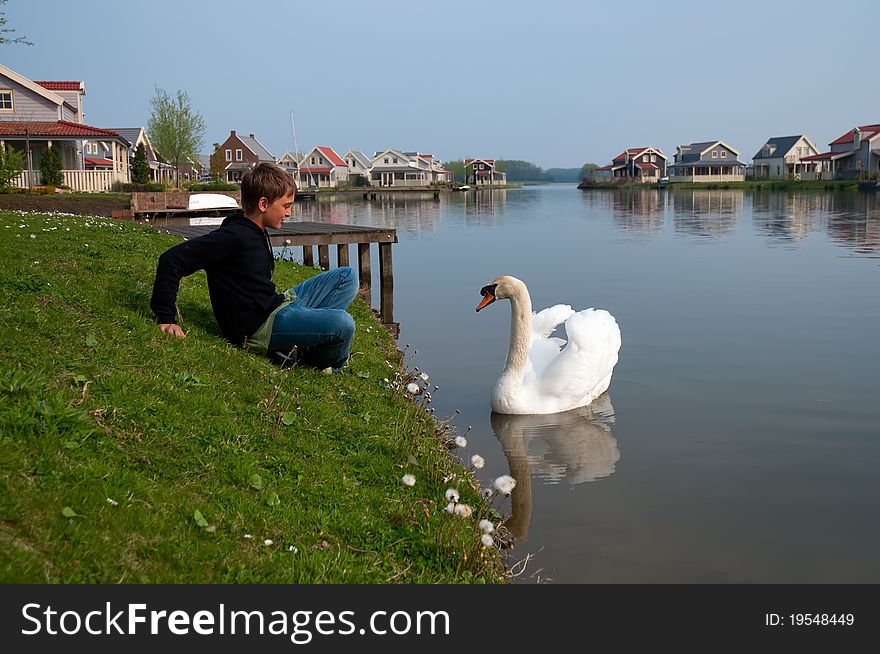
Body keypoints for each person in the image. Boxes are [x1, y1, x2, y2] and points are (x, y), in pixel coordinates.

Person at [150, 163, 357, 370]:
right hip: (259, 327)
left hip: (275, 305)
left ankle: (300, 341)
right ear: (264, 204)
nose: (289, 213)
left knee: (346, 277)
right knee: (343, 323)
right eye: (286, 206)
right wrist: (166, 318)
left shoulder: (254, 229)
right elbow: (172, 260)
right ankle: (325, 362)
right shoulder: (233, 237)